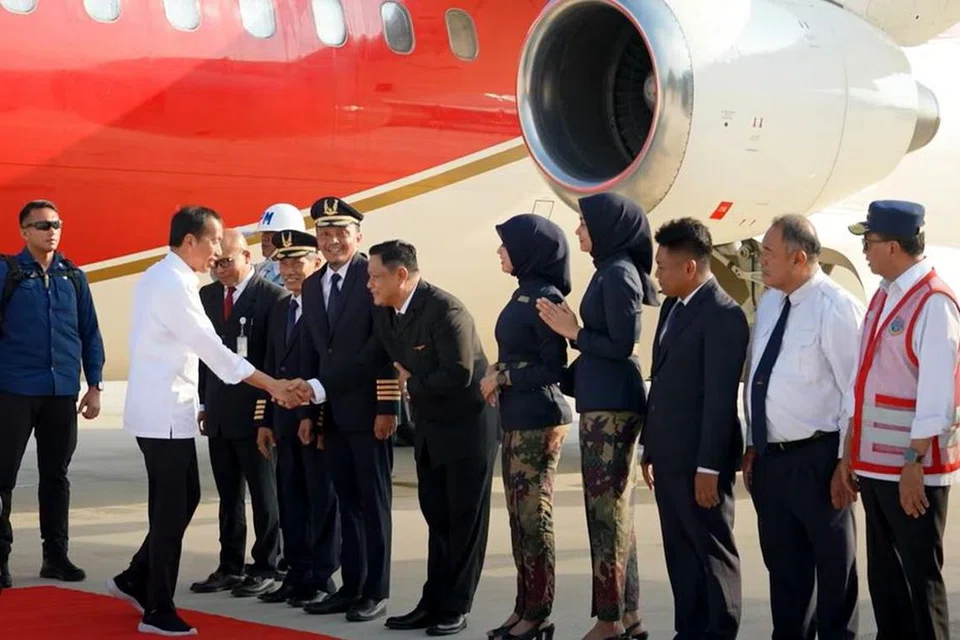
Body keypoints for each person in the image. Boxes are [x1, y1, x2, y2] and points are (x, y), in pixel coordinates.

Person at [104, 205, 302, 637]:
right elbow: (213, 350)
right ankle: (157, 608)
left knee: (185, 497)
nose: (217, 251)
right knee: (171, 506)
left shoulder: (167, 276)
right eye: (213, 241)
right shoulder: (173, 284)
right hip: (162, 415)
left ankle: (135, 577)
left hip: (166, 410)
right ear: (189, 241)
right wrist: (274, 386)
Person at [291, 239, 499, 637]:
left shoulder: (445, 310)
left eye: (374, 276)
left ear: (401, 275)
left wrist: (411, 383)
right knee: (437, 520)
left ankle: (456, 607)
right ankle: (432, 602)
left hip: (467, 431)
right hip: (432, 430)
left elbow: (459, 375)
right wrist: (315, 389)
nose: (368, 284)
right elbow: (364, 362)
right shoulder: (387, 313)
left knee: (462, 524)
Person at [536, 192, 658, 640]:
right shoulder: (610, 272)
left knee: (606, 514)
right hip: (601, 400)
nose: (578, 231)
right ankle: (628, 616)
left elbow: (623, 345)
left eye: (585, 224)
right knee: (611, 515)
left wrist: (574, 333)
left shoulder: (619, 274)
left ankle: (610, 620)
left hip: (612, 408)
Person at [741, 215, 864, 640]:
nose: (762, 260)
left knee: (833, 573)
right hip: (772, 462)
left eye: (769, 253)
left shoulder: (835, 308)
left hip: (819, 460)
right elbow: (759, 376)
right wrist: (754, 441)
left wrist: (845, 462)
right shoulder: (773, 300)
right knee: (786, 575)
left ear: (798, 258)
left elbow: (855, 391)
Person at [841, 200, 959, 640]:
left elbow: (937, 397)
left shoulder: (933, 302)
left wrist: (914, 462)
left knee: (919, 582)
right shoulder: (885, 295)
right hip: (876, 468)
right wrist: (851, 450)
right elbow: (863, 382)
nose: (865, 251)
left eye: (869, 242)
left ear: (893, 246)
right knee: (887, 584)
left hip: (912, 472)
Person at [641, 217, 748, 640]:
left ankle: (719, 631)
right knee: (681, 555)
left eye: (663, 267)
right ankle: (689, 631)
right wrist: (650, 447)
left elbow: (720, 400)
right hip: (669, 458)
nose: (657, 276)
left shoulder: (723, 315)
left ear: (690, 268)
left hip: (700, 463)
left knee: (712, 553)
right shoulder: (672, 307)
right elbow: (663, 381)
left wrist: (708, 466)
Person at [297, 197, 400, 622]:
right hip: (333, 414)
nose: (332, 239)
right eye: (324, 233)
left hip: (370, 412)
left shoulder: (370, 277)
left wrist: (388, 406)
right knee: (347, 503)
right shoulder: (311, 283)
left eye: (341, 232)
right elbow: (313, 353)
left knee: (374, 505)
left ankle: (374, 590)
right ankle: (351, 586)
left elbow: (385, 346)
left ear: (358, 236)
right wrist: (309, 412)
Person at [0, 199, 105, 589]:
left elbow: (90, 333)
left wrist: (94, 385)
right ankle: (0, 559)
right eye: (42, 225)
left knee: (56, 476)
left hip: (61, 391)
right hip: (13, 390)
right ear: (24, 232)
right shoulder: (7, 273)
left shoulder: (73, 277)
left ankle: (56, 556)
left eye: (56, 224)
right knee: (2, 478)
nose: (51, 231)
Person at [480, 214, 574, 640]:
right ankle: (524, 607)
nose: (500, 252)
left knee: (534, 517)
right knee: (519, 519)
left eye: (506, 245)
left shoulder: (544, 297)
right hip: (519, 418)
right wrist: (502, 369)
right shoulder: (524, 293)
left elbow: (553, 367)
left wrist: (504, 376)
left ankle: (538, 612)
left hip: (539, 419)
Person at [189, 229, 286, 598]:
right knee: (228, 497)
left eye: (226, 262)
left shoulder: (271, 298)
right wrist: (202, 403)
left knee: (264, 495)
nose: (219, 270)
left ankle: (267, 564)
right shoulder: (208, 296)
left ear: (247, 257)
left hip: (255, 413)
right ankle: (230, 564)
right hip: (218, 410)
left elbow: (274, 361)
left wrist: (267, 416)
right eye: (214, 263)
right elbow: (204, 355)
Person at [255, 229, 337, 608]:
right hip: (284, 421)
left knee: (321, 500)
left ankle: (322, 576)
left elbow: (327, 369)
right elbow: (271, 366)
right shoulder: (281, 307)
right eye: (283, 262)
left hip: (314, 422)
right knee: (291, 499)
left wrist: (314, 417)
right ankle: (297, 574)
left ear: (317, 262)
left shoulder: (326, 307)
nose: (288, 269)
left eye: (297, 261)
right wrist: (265, 420)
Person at [253, 203, 306, 288]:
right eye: (264, 233)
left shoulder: (301, 274)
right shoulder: (259, 270)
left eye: (271, 233)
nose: (264, 238)